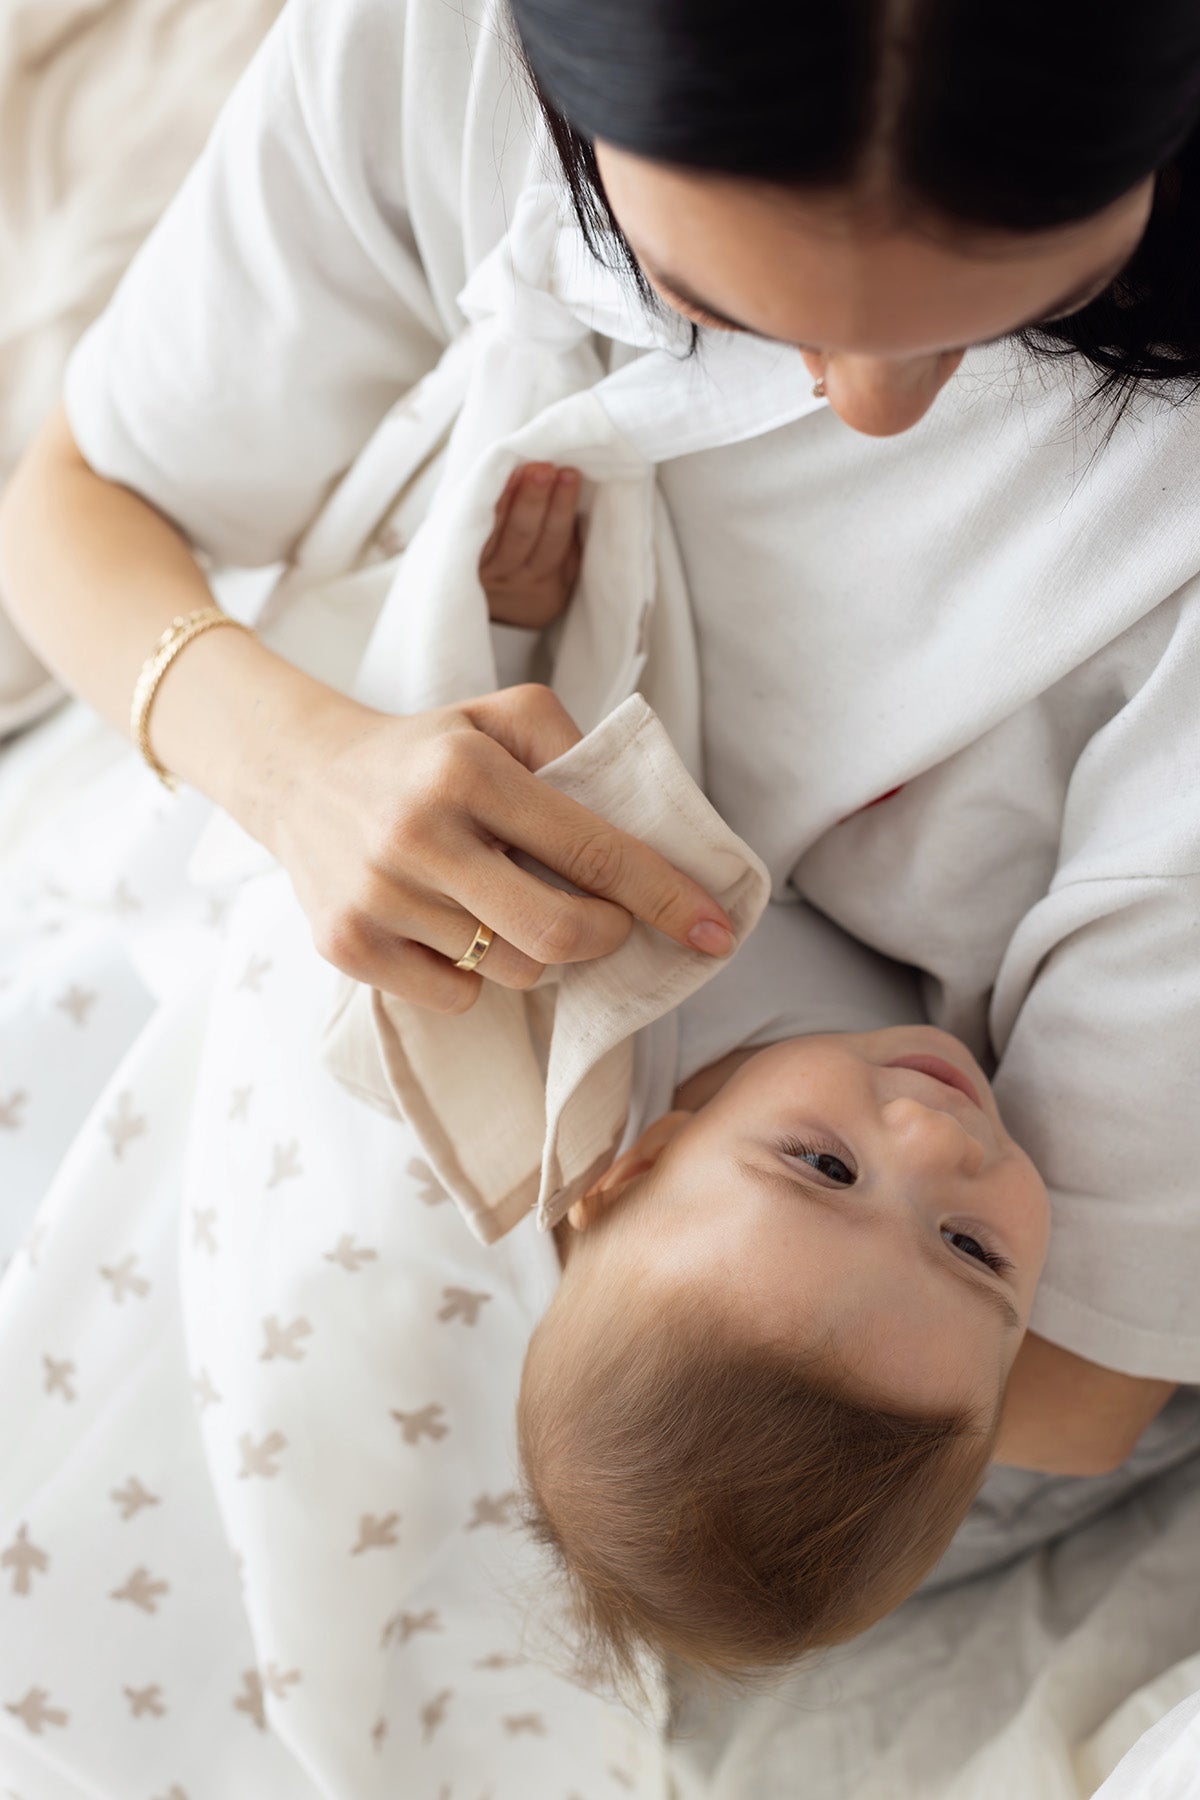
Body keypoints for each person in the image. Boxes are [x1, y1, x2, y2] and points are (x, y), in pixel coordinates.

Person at [2, 0, 1200, 1690]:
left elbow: (1074, 1397)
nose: (869, 411)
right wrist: (307, 764)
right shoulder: (445, 53)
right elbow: (81, 508)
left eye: (1025, 298)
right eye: (716, 305)